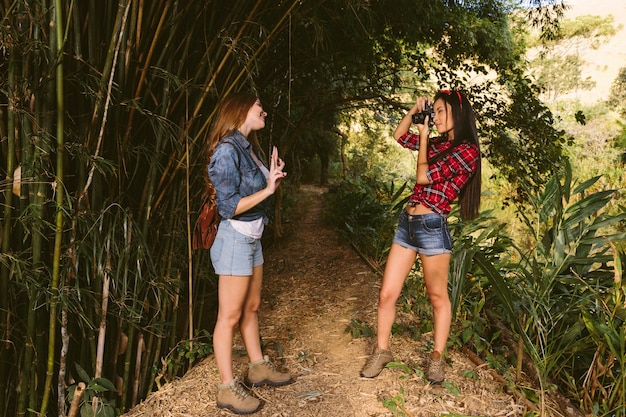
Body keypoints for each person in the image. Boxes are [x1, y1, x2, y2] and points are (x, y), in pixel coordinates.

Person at [360, 89, 481, 384]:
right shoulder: (438, 142)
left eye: (441, 111)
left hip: (432, 227)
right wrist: (414, 112)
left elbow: (423, 177)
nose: (436, 117)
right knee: (387, 293)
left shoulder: (467, 151)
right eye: (434, 112)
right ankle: (382, 350)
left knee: (437, 297)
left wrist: (424, 136)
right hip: (407, 224)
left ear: (458, 113)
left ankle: (437, 358)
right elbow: (399, 136)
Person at [206, 92, 292, 414]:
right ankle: (227, 388)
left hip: (253, 238)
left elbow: (256, 194)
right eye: (260, 107)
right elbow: (228, 207)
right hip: (235, 241)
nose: (265, 112)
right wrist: (268, 188)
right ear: (242, 109)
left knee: (252, 307)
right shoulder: (227, 151)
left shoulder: (248, 147)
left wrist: (273, 179)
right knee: (228, 317)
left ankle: (257, 366)